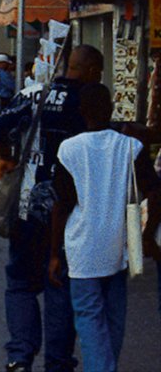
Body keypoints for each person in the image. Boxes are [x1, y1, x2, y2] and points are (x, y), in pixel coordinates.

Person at [0, 44, 105, 372]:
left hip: (27, 208)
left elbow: (2, 126)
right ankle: (58, 361)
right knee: (59, 282)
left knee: (20, 284)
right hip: (70, 213)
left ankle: (19, 355)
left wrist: (7, 157)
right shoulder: (86, 102)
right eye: (97, 72)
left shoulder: (32, 94)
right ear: (87, 71)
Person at [49, 83, 161, 372]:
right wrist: (147, 236)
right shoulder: (130, 147)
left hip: (82, 248)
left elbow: (61, 206)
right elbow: (155, 192)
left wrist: (54, 253)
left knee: (88, 320)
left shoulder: (69, 149)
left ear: (80, 112)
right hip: (119, 246)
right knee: (114, 320)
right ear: (111, 108)